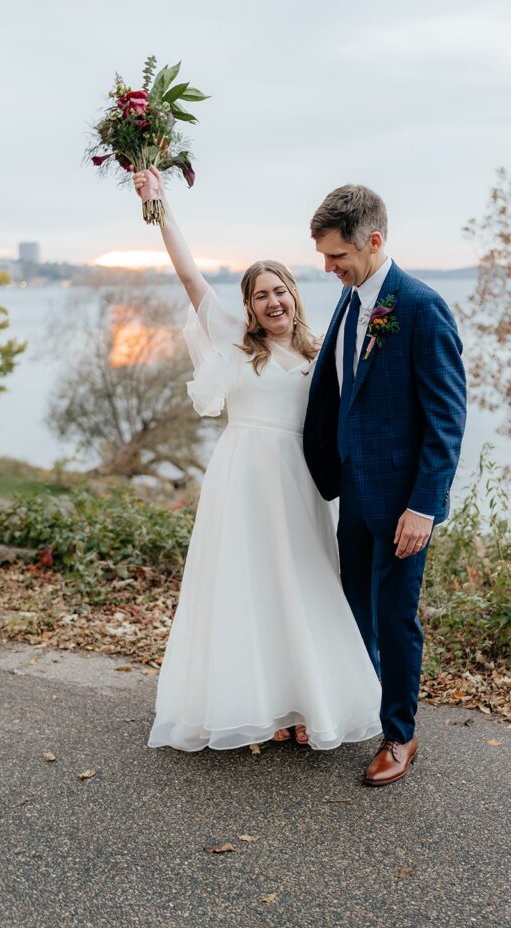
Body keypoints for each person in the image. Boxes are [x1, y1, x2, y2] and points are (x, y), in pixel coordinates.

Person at [132, 166, 382, 752]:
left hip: (297, 484)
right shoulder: (232, 341)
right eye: (260, 294)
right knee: (246, 587)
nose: (273, 300)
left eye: (281, 289)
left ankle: (305, 704)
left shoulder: (323, 353)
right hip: (241, 477)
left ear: (295, 295)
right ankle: (256, 705)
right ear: (248, 306)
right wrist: (157, 202)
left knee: (302, 584)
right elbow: (189, 275)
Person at [304, 184, 467, 785]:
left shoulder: (420, 307)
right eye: (323, 256)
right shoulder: (351, 301)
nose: (328, 268)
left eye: (337, 256)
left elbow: (447, 419)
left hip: (402, 504)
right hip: (353, 493)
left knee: (397, 620)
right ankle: (354, 711)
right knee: (354, 614)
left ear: (374, 241)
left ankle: (399, 734)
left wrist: (424, 507)